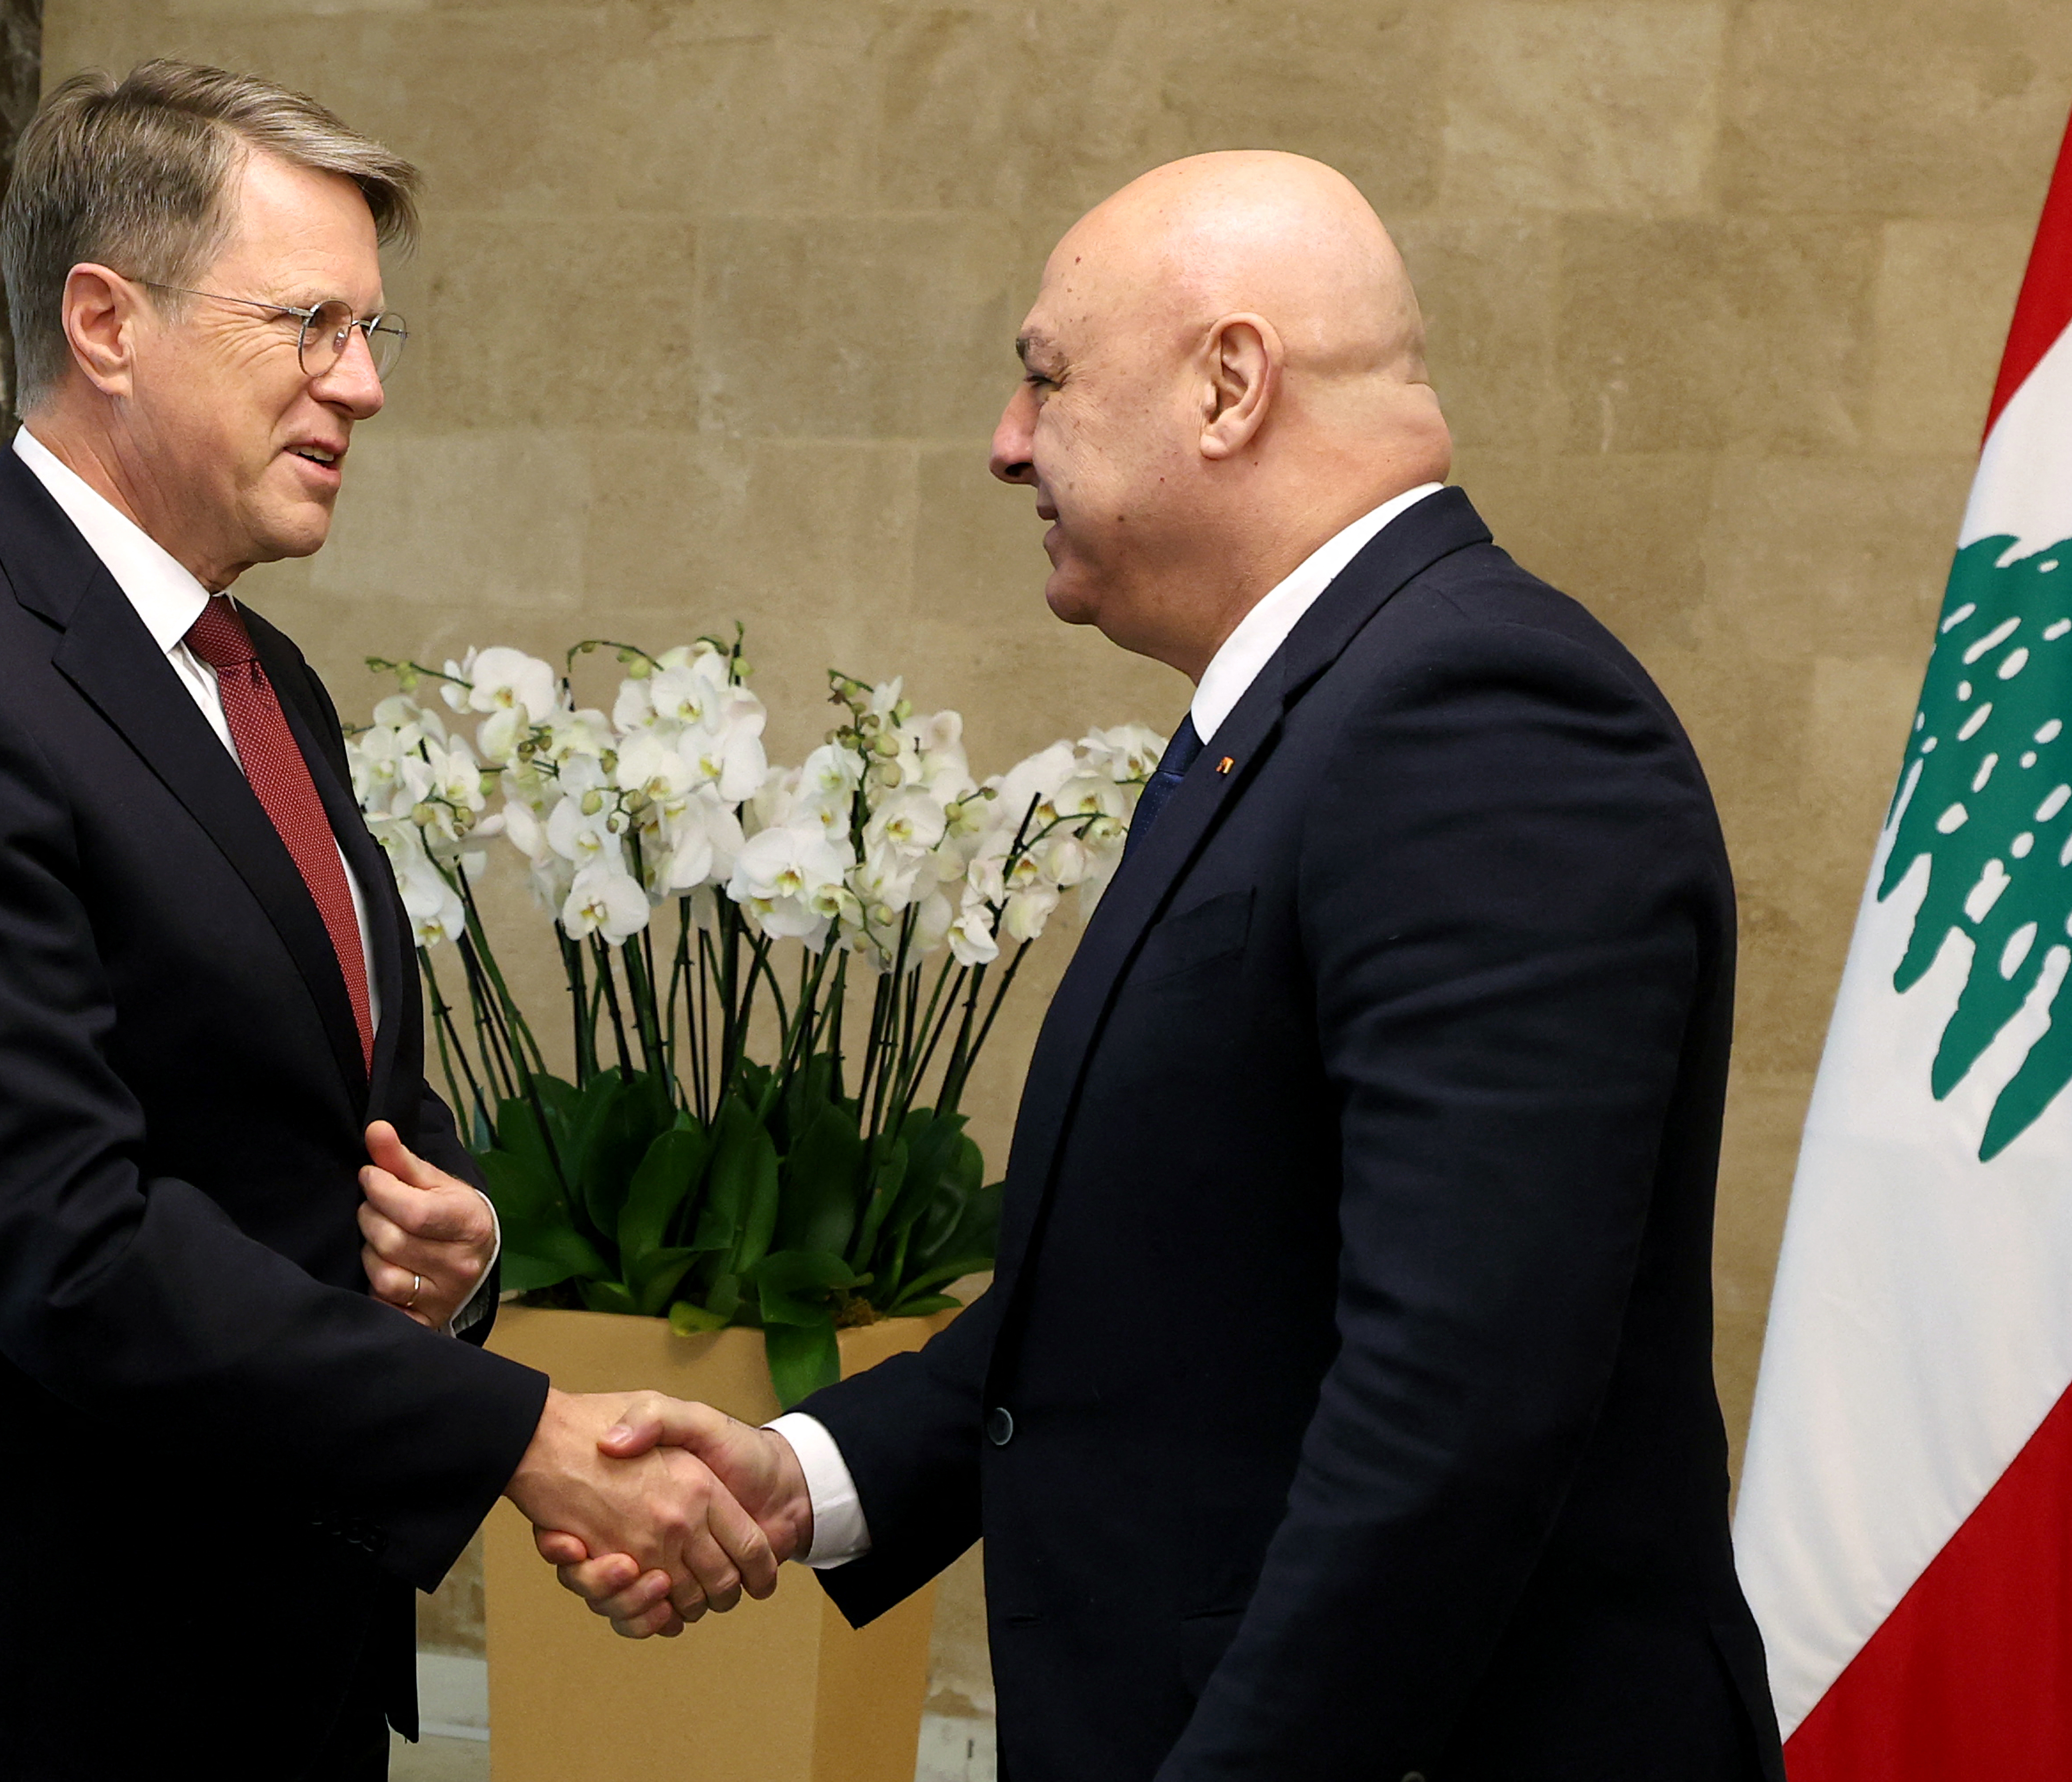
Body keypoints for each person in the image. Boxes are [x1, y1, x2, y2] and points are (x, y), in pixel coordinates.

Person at [541, 152, 1786, 1781]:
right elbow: (1144, 1297)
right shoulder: (1288, 723)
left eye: (1043, 378)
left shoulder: (1477, 717)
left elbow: (1453, 1406)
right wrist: (808, 1475)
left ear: (1230, 384)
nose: (1005, 442)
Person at [0, 61, 771, 1782]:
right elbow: (72, 1252)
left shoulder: (259, 675)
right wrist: (523, 1434)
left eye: (372, 334)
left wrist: (457, 1268)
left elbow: (338, 1109)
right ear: (106, 321)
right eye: (311, 325)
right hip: (48, 1687)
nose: (362, 388)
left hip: (287, 1663)